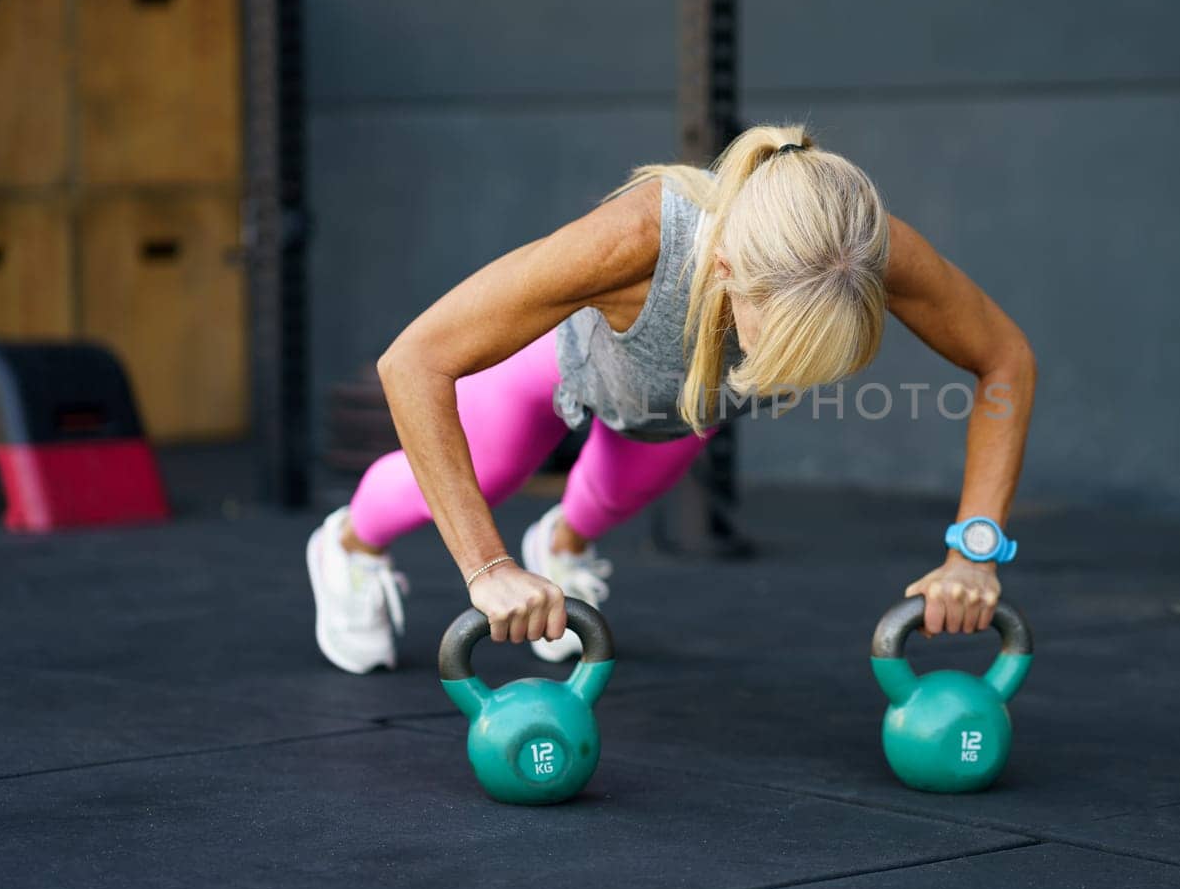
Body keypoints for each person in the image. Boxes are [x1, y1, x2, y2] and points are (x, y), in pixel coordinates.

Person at [305, 125, 1036, 673]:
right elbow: (415, 360)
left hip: (678, 407)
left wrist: (974, 549)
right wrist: (487, 567)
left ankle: (557, 547)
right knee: (490, 471)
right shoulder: (638, 240)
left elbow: (1004, 357)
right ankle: (347, 546)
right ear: (723, 270)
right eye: (772, 342)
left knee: (610, 502)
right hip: (557, 362)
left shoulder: (865, 246)